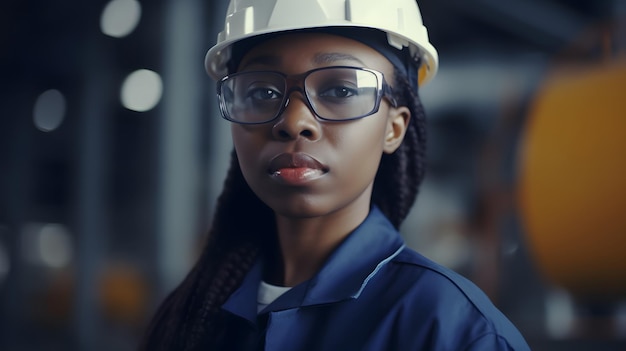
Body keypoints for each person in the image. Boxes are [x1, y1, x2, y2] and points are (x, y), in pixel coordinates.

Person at [140, 0, 531, 350]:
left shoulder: (453, 332)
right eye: (262, 93)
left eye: (340, 91)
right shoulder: (191, 320)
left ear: (394, 129)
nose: (294, 122)